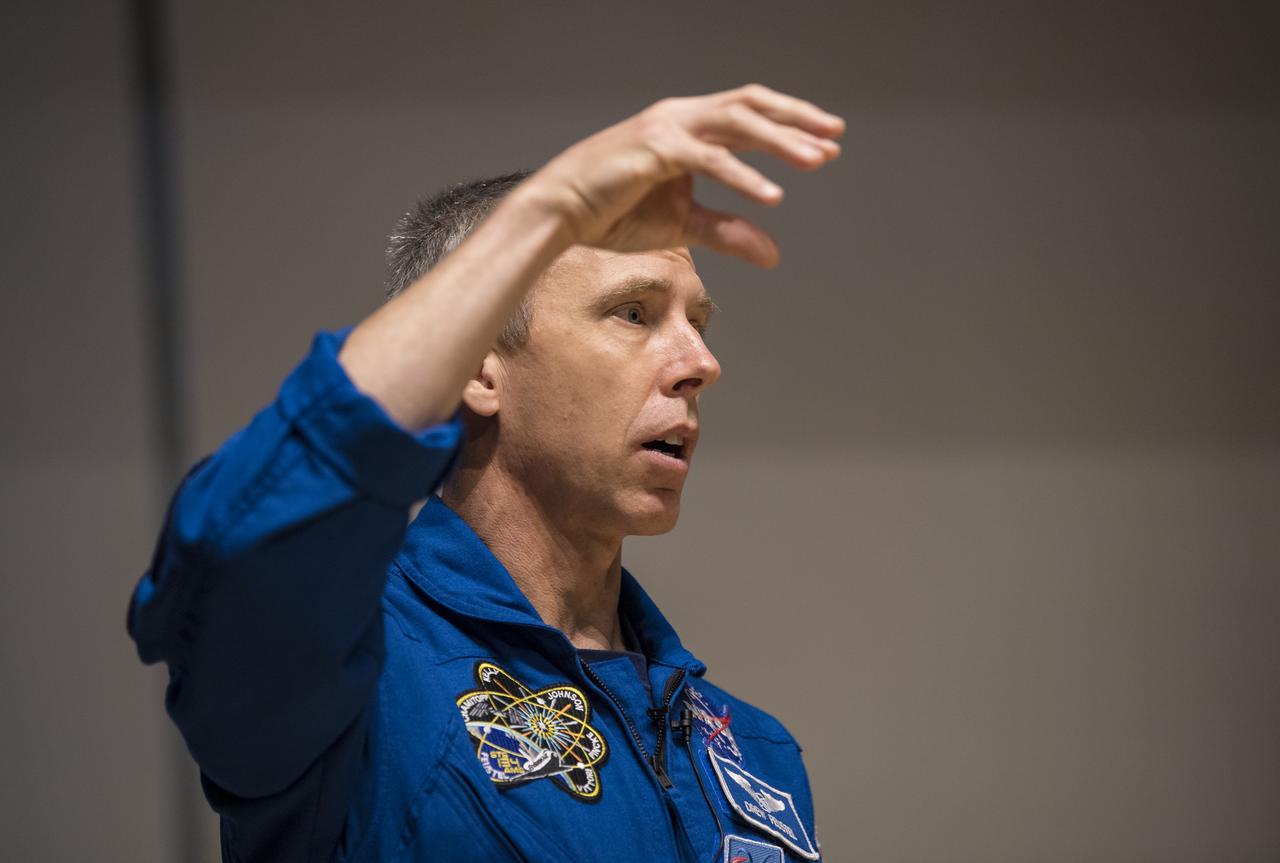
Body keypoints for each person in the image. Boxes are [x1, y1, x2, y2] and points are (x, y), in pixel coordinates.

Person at [127, 84, 844, 862]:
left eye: (697, 324)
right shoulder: (361, 687)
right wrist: (554, 207)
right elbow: (232, 558)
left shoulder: (753, 753)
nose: (701, 364)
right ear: (476, 366)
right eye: (633, 312)